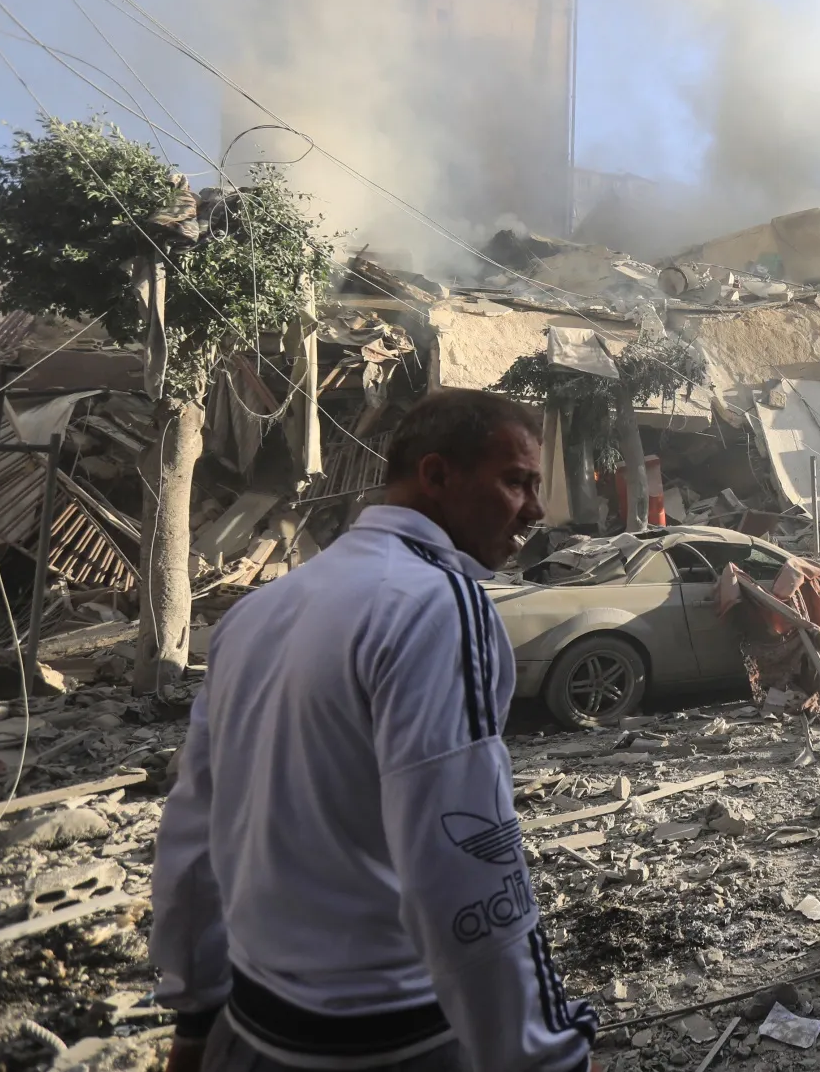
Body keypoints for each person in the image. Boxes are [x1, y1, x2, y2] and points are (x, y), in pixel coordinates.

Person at [151, 389, 599, 1072]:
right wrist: (544, 1054)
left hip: (250, 1033)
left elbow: (190, 836)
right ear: (437, 475)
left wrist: (194, 1016)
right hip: (394, 1043)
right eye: (517, 482)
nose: (536, 510)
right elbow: (465, 861)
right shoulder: (437, 605)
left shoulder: (258, 612)